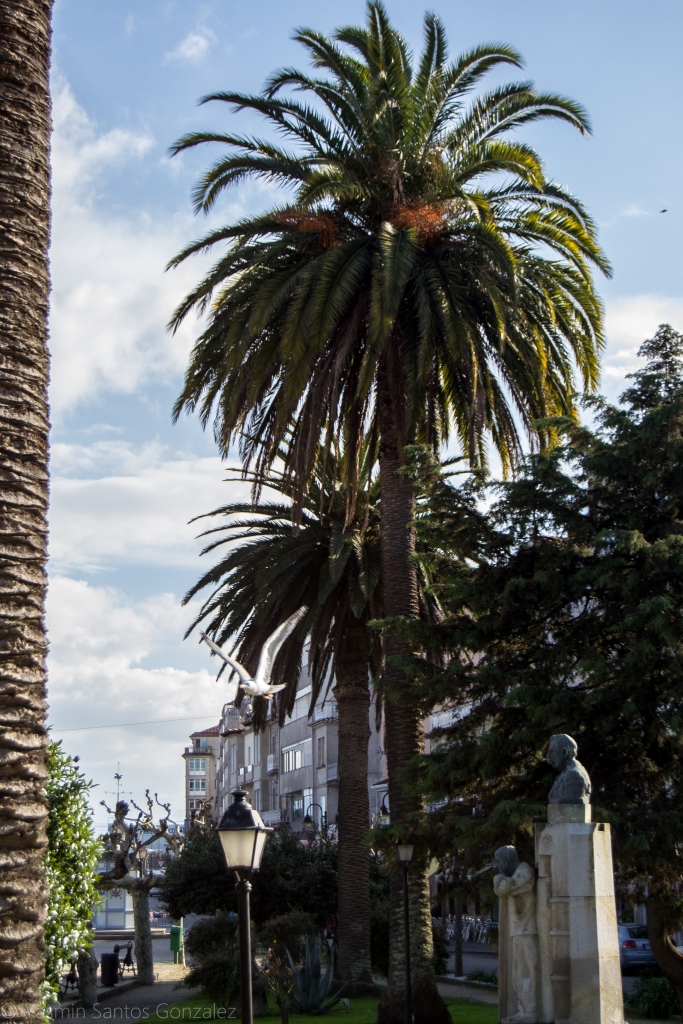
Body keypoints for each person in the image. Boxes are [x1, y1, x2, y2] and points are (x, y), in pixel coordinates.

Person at [494, 846, 539, 1024]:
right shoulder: (513, 874)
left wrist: (499, 880)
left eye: (498, 860)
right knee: (518, 972)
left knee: (526, 971)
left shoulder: (524, 872)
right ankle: (524, 1010)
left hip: (526, 930)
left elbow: (503, 888)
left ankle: (529, 1012)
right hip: (519, 931)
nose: (497, 865)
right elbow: (499, 887)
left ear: (506, 859)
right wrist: (499, 880)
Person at [546, 734, 591, 804]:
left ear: (564, 752)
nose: (548, 756)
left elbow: (573, 800)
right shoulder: (566, 773)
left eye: (552, 751)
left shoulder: (574, 775)